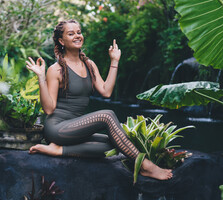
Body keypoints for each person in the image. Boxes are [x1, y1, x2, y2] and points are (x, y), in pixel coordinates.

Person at [26, 19, 172, 180]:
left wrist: (114, 61)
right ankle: (145, 166)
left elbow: (106, 91)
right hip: (58, 128)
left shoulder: (89, 64)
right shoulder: (56, 69)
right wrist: (41, 77)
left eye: (79, 32)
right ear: (61, 41)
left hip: (77, 128)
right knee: (106, 115)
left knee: (115, 143)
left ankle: (58, 151)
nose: (77, 36)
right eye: (71, 33)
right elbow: (49, 109)